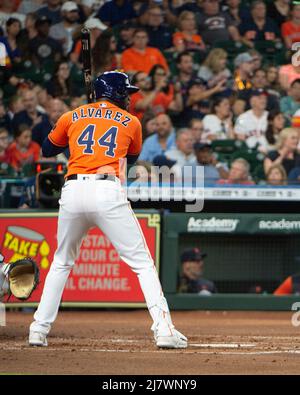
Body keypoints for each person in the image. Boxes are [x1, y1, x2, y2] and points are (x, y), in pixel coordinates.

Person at [28, 71, 187, 349]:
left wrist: (78, 127)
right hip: (106, 190)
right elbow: (132, 157)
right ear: (114, 93)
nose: (129, 97)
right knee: (142, 263)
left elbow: (47, 148)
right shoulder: (132, 122)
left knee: (62, 262)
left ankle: (37, 330)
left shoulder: (72, 115)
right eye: (125, 92)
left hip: (73, 190)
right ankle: (164, 330)